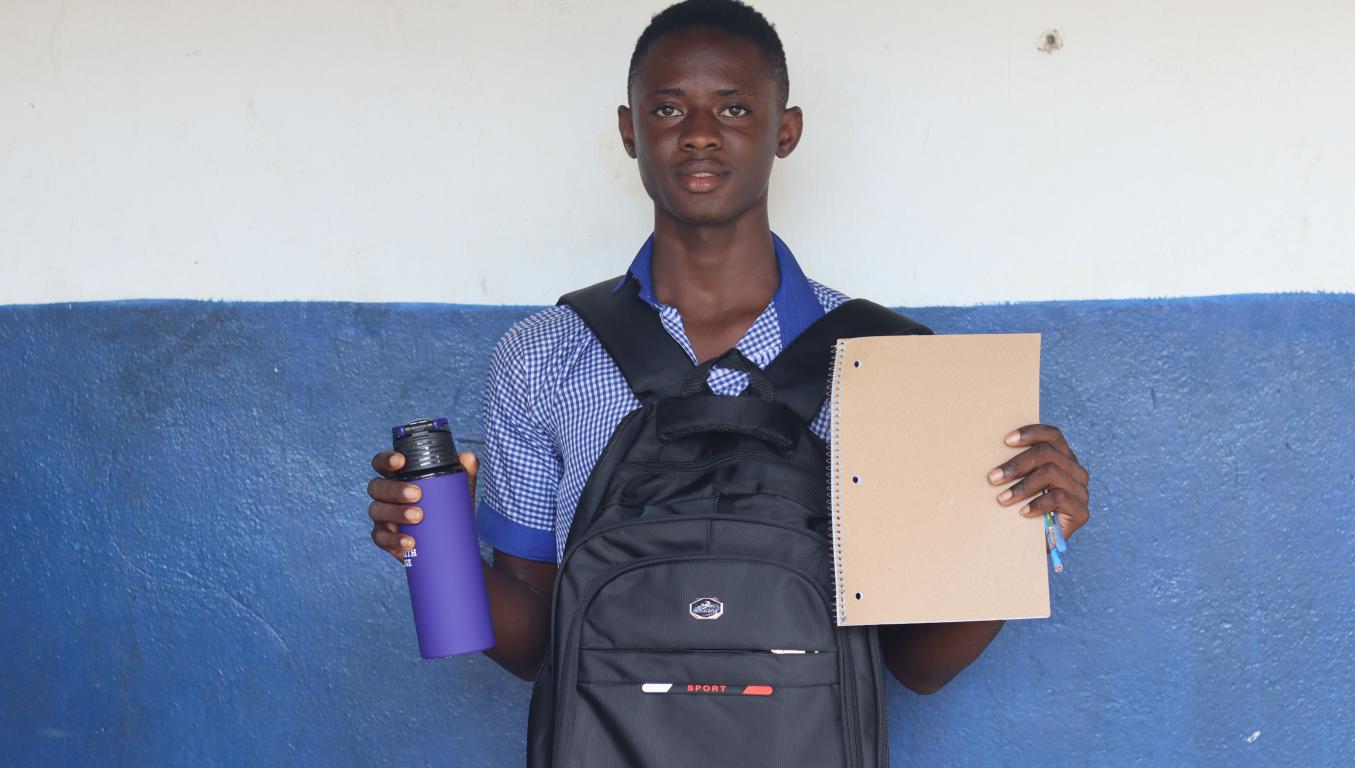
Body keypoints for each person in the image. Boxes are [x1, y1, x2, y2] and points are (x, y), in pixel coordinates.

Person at [367, 0, 1090, 697]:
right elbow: (537, 652)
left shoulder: (886, 359)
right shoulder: (544, 355)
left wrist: (1019, 532)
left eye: (736, 108)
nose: (701, 134)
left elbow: (918, 667)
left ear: (787, 130)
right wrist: (435, 553)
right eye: (667, 109)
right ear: (629, 130)